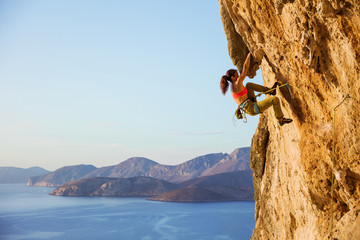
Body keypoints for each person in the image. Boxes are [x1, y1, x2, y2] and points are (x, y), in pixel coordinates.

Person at [220, 51, 293, 126]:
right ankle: (280, 119)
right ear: (232, 77)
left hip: (249, 103)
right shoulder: (237, 83)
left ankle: (270, 91)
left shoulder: (232, 86)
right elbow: (245, 67)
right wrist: (248, 55)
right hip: (251, 109)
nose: (239, 75)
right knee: (275, 100)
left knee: (248, 85)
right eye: (236, 75)